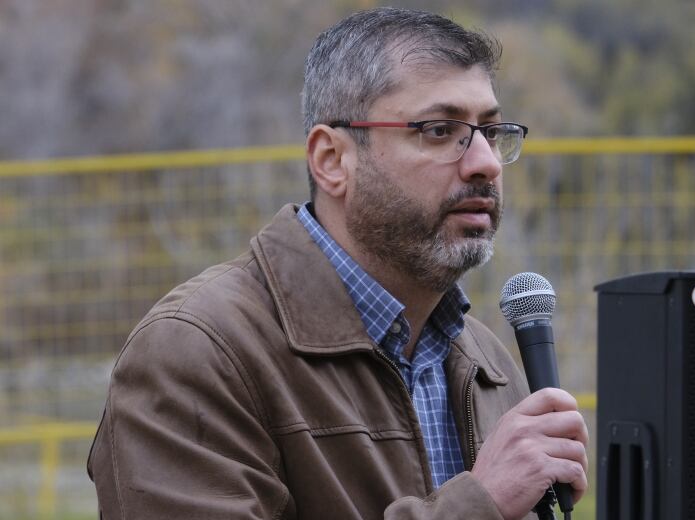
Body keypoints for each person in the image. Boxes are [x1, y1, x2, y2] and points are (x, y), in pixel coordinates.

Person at [88, 7, 588, 520]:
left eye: (491, 130)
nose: (484, 161)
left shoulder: (490, 363)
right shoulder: (199, 350)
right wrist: (479, 504)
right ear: (332, 159)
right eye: (440, 130)